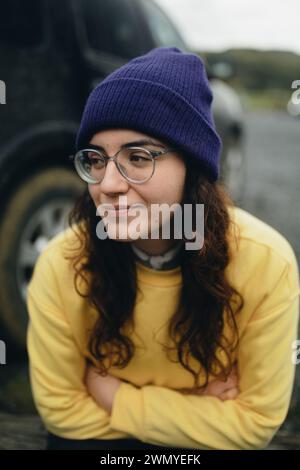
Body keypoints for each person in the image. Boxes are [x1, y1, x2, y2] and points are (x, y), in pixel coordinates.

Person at [26, 46, 300, 450]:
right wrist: (192, 408)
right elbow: (61, 412)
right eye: (96, 160)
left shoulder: (266, 263)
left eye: (138, 157)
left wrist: (113, 395)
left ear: (192, 168)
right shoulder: (62, 263)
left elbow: (255, 422)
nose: (109, 184)